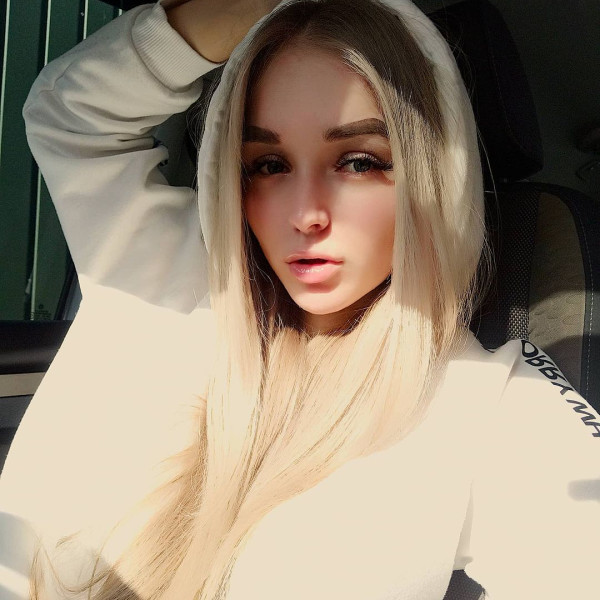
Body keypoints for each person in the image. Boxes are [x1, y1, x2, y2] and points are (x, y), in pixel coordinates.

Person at [0, 0, 598, 598]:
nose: (306, 214)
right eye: (268, 164)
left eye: (359, 162)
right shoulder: (163, 275)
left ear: (430, 176)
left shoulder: (489, 404)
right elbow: (69, 114)